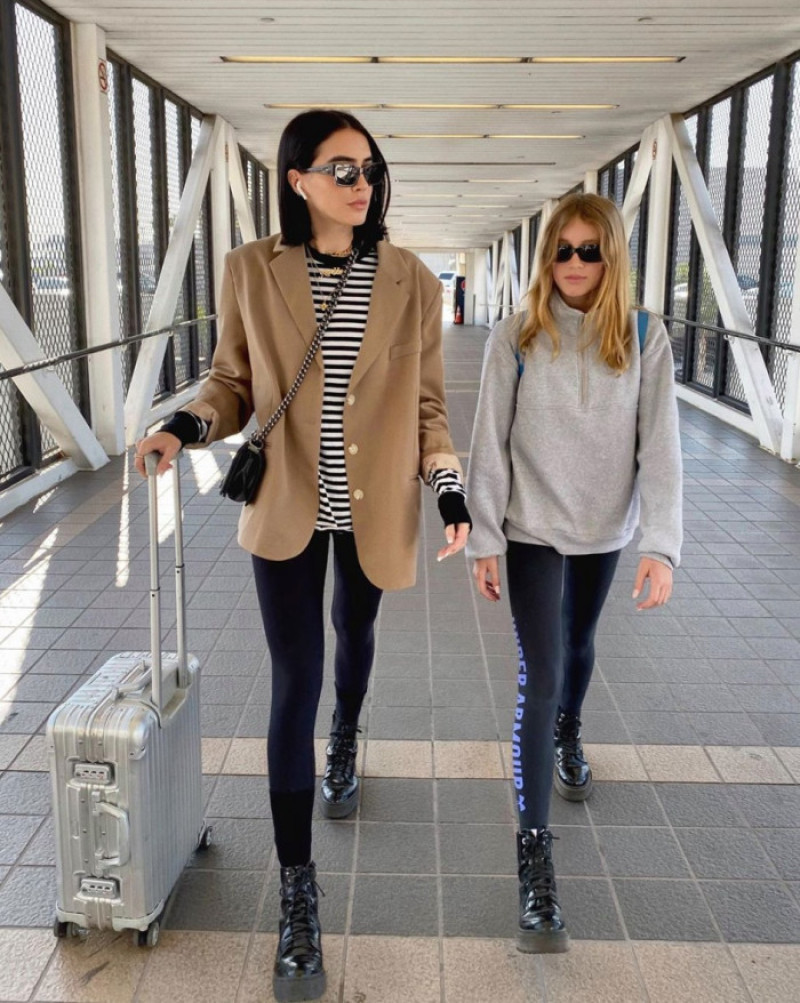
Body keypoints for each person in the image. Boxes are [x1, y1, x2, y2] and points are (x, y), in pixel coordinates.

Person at [134, 109, 470, 1002]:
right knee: (295, 678)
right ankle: (297, 889)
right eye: (342, 169)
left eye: (370, 169)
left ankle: (347, 736)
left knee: (354, 637)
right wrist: (183, 425)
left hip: (374, 508)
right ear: (298, 179)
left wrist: (448, 486)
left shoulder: (410, 279)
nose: (362, 184)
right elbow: (232, 380)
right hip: (287, 502)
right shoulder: (252, 268)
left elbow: (427, 404)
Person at [466, 192, 682, 954]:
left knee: (580, 647)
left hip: (603, 529)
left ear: (612, 255)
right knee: (543, 669)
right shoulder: (515, 335)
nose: (575, 263)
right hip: (531, 528)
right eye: (563, 249)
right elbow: (488, 441)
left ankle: (570, 732)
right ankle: (535, 858)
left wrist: (660, 543)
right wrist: (483, 538)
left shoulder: (644, 336)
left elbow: (661, 445)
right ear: (546, 256)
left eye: (591, 250)